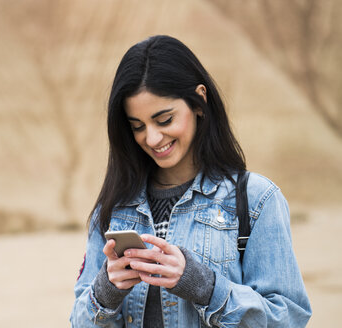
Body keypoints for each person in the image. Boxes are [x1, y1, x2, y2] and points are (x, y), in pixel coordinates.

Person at [70, 35, 311, 327]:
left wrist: (204, 287)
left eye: (164, 120)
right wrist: (106, 292)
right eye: (137, 126)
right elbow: (78, 322)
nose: (152, 138)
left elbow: (289, 318)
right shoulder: (113, 209)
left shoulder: (257, 200)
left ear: (199, 101)